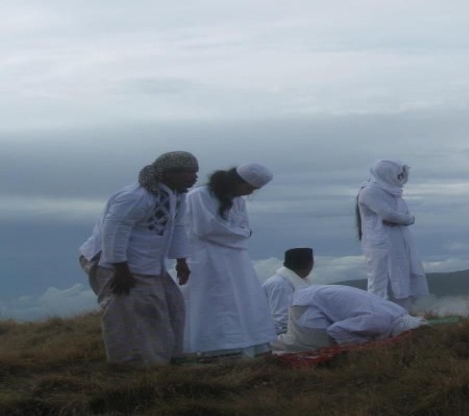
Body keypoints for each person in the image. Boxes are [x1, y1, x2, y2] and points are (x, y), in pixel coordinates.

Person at [77, 151, 199, 366]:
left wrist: (181, 260)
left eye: (195, 172)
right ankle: (134, 365)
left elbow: (178, 227)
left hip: (148, 263)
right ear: (167, 173)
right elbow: (114, 231)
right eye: (187, 172)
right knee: (130, 313)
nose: (193, 177)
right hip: (116, 263)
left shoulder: (176, 196)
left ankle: (167, 357)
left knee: (172, 305)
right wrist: (120, 270)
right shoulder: (135, 196)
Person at [181, 163, 277, 360]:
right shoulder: (198, 196)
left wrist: (239, 234)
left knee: (243, 300)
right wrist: (239, 235)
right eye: (248, 188)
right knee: (215, 302)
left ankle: (246, 346)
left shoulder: (237, 200)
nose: (249, 192)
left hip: (236, 260)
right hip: (207, 259)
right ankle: (216, 349)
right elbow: (207, 229)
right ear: (236, 182)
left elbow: (244, 228)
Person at [355, 160, 428, 312]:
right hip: (382, 245)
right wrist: (407, 219)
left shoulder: (394, 193)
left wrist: (405, 219)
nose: (401, 178)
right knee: (382, 280)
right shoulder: (369, 192)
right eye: (398, 174)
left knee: (404, 278)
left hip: (401, 243)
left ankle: (406, 314)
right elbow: (387, 214)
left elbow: (402, 215)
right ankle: (383, 315)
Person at [271, 285, 427, 354]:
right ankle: (266, 347)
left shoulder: (399, 312)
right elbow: (336, 330)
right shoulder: (379, 322)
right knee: (311, 346)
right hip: (306, 302)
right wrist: (358, 350)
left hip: (314, 296)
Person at [262, 247, 314, 335]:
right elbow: (282, 318)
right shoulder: (280, 284)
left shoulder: (288, 281)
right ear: (310, 265)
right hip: (278, 333)